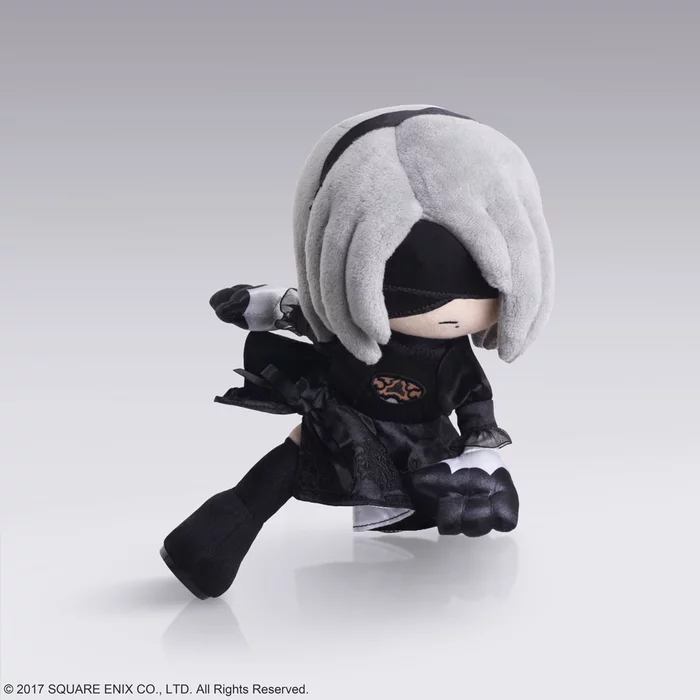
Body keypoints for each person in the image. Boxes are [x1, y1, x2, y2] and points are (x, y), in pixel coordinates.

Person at [160, 106, 554, 599]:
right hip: (345, 418)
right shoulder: (346, 320)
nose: (450, 312)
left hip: (424, 440)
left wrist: (480, 457)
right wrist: (265, 306)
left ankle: (420, 537)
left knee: (429, 495)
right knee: (285, 468)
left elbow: (477, 408)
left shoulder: (455, 361)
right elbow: (309, 314)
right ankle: (206, 546)